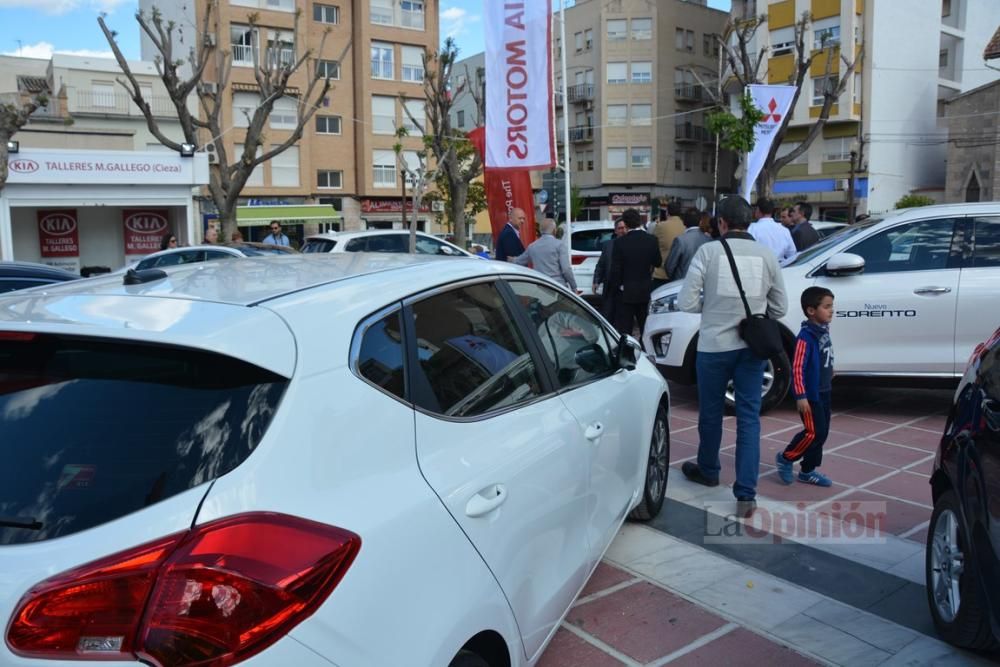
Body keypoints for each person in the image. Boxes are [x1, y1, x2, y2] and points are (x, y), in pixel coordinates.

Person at [677, 196, 788, 518]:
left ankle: (709, 470)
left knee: (710, 413)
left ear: (721, 222)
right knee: (749, 418)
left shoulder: (708, 252)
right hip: (752, 350)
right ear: (749, 221)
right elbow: (780, 308)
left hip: (713, 346)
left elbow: (686, 303)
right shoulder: (766, 255)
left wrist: (711, 309)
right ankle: (746, 494)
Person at [776, 287, 835, 487]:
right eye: (826, 307)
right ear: (811, 311)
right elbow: (798, 368)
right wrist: (800, 395)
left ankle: (807, 471)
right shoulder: (805, 337)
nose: (831, 310)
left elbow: (824, 355)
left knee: (822, 432)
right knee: (813, 432)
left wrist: (830, 370)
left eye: (831, 306)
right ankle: (786, 458)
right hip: (811, 396)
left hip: (824, 390)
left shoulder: (823, 330)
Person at [607, 208, 662, 338]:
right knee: (645, 326)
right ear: (640, 221)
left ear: (625, 224)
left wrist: (616, 288)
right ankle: (646, 352)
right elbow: (658, 262)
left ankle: (627, 354)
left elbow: (615, 270)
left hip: (625, 291)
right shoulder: (651, 240)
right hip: (644, 289)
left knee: (625, 329)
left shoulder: (620, 242)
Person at [514, 218, 577, 291]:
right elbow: (566, 269)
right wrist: (574, 286)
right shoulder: (559, 245)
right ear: (554, 230)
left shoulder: (532, 246)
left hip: (540, 287)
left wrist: (508, 259)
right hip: (558, 287)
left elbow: (518, 261)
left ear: (540, 231)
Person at [592, 218, 626, 320]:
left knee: (622, 319)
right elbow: (601, 265)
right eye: (620, 228)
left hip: (625, 288)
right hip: (610, 286)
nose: (623, 230)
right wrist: (596, 281)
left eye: (625, 228)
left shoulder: (631, 245)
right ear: (615, 231)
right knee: (607, 316)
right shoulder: (608, 245)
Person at [665, 208, 710, 281]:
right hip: (702, 284)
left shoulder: (680, 240)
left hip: (681, 283)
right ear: (700, 222)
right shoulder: (708, 240)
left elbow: (669, 266)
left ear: (684, 222)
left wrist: (674, 280)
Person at [749, 198, 796, 263]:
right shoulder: (784, 230)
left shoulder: (752, 228)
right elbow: (792, 254)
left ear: (758, 210)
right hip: (781, 268)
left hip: (761, 267)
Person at [650, 201, 685, 288]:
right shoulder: (685, 226)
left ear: (667, 212)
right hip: (680, 274)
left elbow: (653, 244)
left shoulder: (661, 226)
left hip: (662, 273)